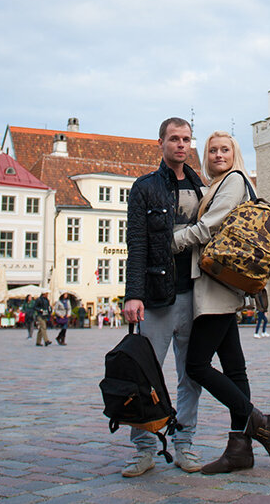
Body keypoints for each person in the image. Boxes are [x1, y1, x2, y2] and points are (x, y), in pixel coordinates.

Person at [174, 131, 270, 475]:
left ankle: (262, 423)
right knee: (235, 369)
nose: (218, 154)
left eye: (225, 149)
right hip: (222, 283)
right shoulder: (219, 183)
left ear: (235, 154)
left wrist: (168, 242)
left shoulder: (233, 180)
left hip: (216, 285)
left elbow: (209, 227)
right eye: (212, 150)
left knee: (196, 366)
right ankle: (240, 450)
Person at [120, 117, 204, 477]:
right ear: (161, 143)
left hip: (197, 296)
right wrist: (132, 295)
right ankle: (144, 448)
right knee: (145, 375)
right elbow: (136, 244)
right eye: (174, 139)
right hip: (157, 296)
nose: (181, 145)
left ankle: (184, 445)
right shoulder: (144, 188)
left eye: (186, 139)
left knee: (191, 376)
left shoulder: (203, 187)